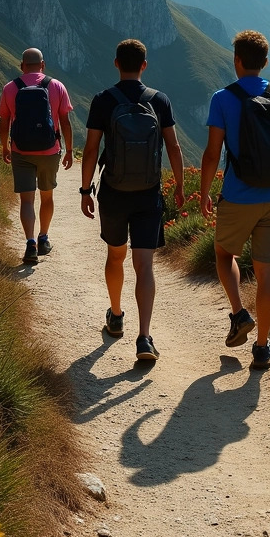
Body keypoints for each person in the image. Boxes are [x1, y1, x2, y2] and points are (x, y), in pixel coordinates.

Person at [80, 39, 185, 362]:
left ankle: (115, 315)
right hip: (149, 193)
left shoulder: (103, 101)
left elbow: (92, 149)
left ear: (116, 63)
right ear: (144, 65)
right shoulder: (160, 100)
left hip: (113, 193)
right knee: (144, 266)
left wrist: (86, 191)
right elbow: (174, 147)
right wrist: (180, 186)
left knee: (115, 256)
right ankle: (144, 337)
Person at [200, 30, 270, 370]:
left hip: (238, 195)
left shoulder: (222, 98)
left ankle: (239, 313)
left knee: (224, 253)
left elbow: (213, 152)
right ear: (266, 62)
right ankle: (261, 348)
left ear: (237, 61)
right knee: (266, 271)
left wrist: (204, 192)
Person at [0, 48, 73, 265]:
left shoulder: (10, 88)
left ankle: (30, 243)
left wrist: (5, 147)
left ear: (22, 65)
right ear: (43, 64)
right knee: (47, 196)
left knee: (27, 199)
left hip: (21, 151)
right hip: (50, 150)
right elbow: (65, 121)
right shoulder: (56, 86)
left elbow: (4, 123)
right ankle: (43, 238)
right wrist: (68, 150)